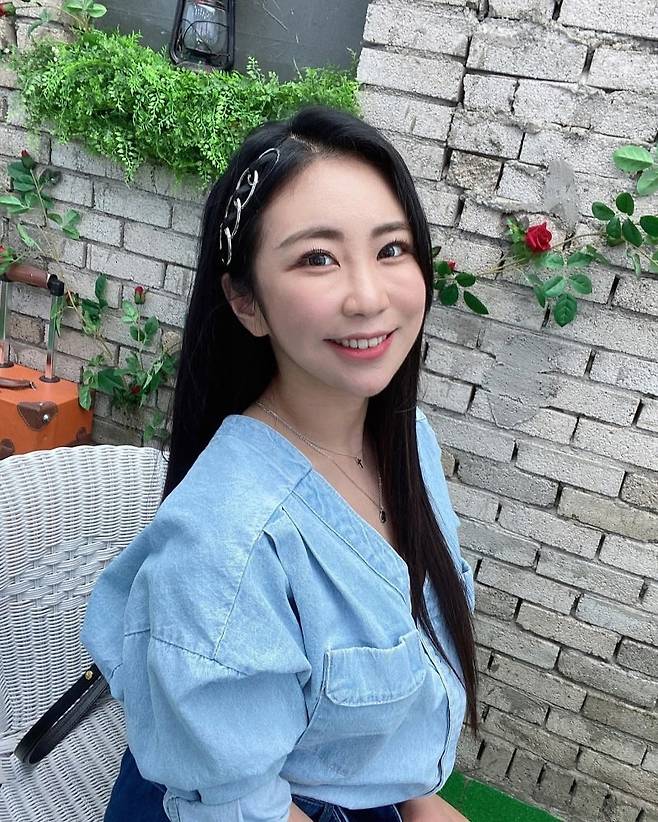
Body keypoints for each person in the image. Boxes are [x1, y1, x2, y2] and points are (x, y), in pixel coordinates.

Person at [81, 105, 478, 822]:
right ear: (245, 302)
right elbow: (239, 807)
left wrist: (418, 798)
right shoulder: (226, 545)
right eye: (317, 258)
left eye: (391, 249)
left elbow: (399, 651)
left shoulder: (409, 439)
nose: (369, 297)